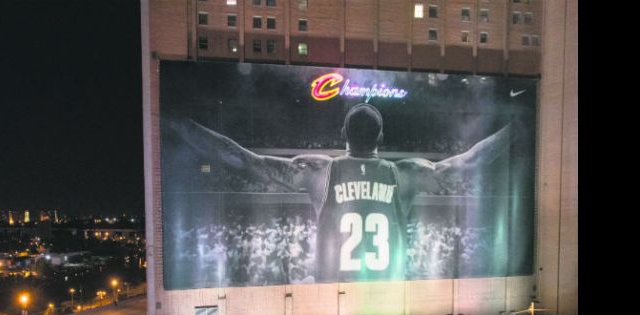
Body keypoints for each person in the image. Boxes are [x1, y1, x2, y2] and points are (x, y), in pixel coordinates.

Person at [170, 104, 514, 283]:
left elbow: (245, 160)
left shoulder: (319, 171)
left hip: (332, 296)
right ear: (380, 140)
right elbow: (469, 162)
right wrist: (516, 129)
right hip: (389, 298)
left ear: (342, 134)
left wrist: (180, 124)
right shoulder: (406, 173)